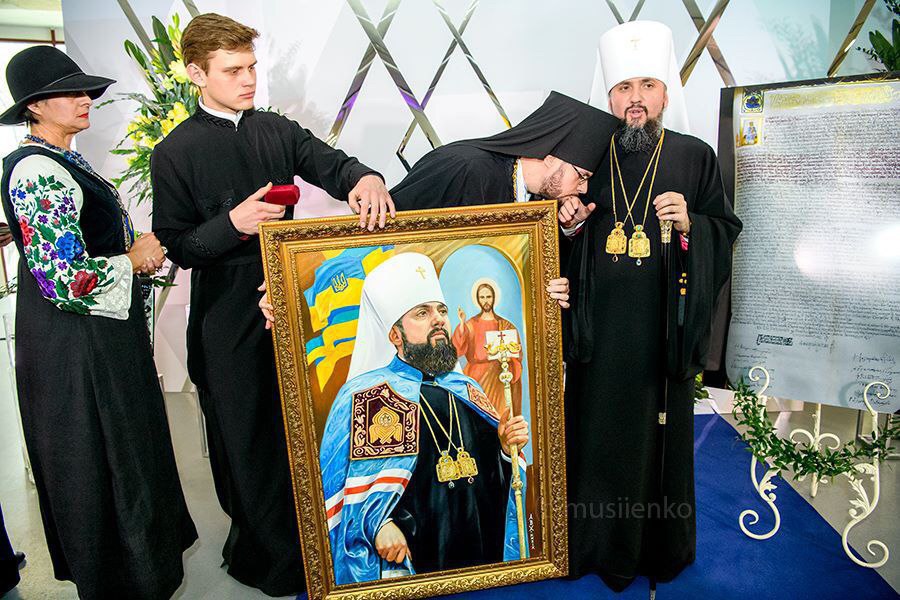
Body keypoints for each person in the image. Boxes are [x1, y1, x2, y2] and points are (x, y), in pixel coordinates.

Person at [150, 13, 394, 596]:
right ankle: (271, 556)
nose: (248, 79)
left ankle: (318, 544)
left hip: (292, 299)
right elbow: (177, 246)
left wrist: (366, 179)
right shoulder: (173, 152)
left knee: (304, 426)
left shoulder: (276, 130)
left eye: (252, 67)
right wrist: (231, 224)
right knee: (246, 435)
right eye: (232, 70)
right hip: (227, 313)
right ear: (196, 74)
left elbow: (333, 165)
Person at [0, 46, 197, 599]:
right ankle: (123, 580)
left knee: (122, 448)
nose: (86, 99)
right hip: (75, 345)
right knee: (99, 454)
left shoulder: (59, 159)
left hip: (95, 336)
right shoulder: (36, 169)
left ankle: (139, 573)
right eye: (70, 92)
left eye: (86, 90)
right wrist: (133, 259)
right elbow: (66, 280)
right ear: (35, 106)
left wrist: (131, 253)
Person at [560, 21, 743, 592]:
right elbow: (554, 239)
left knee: (654, 441)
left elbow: (724, 230)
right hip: (597, 333)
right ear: (609, 95)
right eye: (623, 87)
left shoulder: (693, 156)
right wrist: (568, 227)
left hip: (661, 332)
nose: (635, 98)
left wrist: (691, 225)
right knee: (595, 438)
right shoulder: (586, 156)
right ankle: (593, 543)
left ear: (665, 92)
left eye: (647, 85)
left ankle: (653, 548)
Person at [320, 252, 529, 584]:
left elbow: (497, 479)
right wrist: (380, 525)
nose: (439, 320)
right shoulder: (367, 396)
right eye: (423, 312)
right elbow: (339, 489)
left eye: (441, 310)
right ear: (395, 335)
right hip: (416, 558)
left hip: (479, 551)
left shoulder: (466, 388)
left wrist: (504, 450)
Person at [389, 91, 619, 210]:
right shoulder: (465, 166)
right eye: (582, 176)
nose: (584, 187)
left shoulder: (538, 199)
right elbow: (392, 226)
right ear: (550, 158)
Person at [452, 281, 523, 420]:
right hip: (476, 378)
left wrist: (509, 359)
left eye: (488, 297)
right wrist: (461, 323)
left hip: (499, 379)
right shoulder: (470, 324)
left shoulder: (505, 325)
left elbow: (517, 353)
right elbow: (457, 348)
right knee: (477, 418)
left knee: (500, 418)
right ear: (478, 299)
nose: (485, 301)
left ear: (494, 298)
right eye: (482, 297)